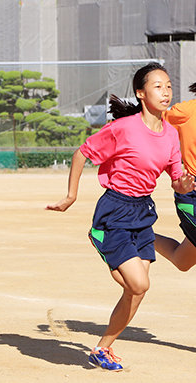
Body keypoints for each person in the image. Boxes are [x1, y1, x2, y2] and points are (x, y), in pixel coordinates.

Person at [46, 62, 195, 371]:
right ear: (141, 93)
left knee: (134, 290)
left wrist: (182, 183)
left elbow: (176, 175)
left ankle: (102, 348)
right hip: (115, 209)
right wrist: (71, 196)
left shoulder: (169, 135)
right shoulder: (123, 129)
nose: (165, 92)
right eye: (157, 86)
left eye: (168, 86)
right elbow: (82, 153)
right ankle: (97, 235)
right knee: (139, 285)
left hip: (143, 212)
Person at [154, 83, 196, 271]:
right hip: (192, 189)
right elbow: (151, 124)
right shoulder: (187, 111)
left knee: (182, 261)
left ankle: (138, 232)